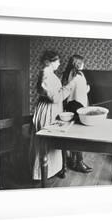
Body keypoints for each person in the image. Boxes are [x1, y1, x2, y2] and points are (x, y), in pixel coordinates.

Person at [29, 50, 75, 180]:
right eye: (58, 61)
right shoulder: (46, 75)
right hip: (48, 110)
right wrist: (69, 86)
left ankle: (51, 170)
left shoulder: (49, 74)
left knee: (52, 143)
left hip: (52, 109)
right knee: (46, 142)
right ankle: (42, 173)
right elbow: (55, 98)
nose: (60, 63)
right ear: (50, 62)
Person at [62, 54, 93, 173]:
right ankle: (79, 162)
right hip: (78, 106)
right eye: (82, 62)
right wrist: (87, 89)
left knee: (72, 134)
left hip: (70, 105)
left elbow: (69, 90)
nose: (84, 64)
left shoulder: (68, 73)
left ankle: (72, 161)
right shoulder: (78, 75)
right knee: (79, 135)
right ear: (78, 63)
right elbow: (81, 91)